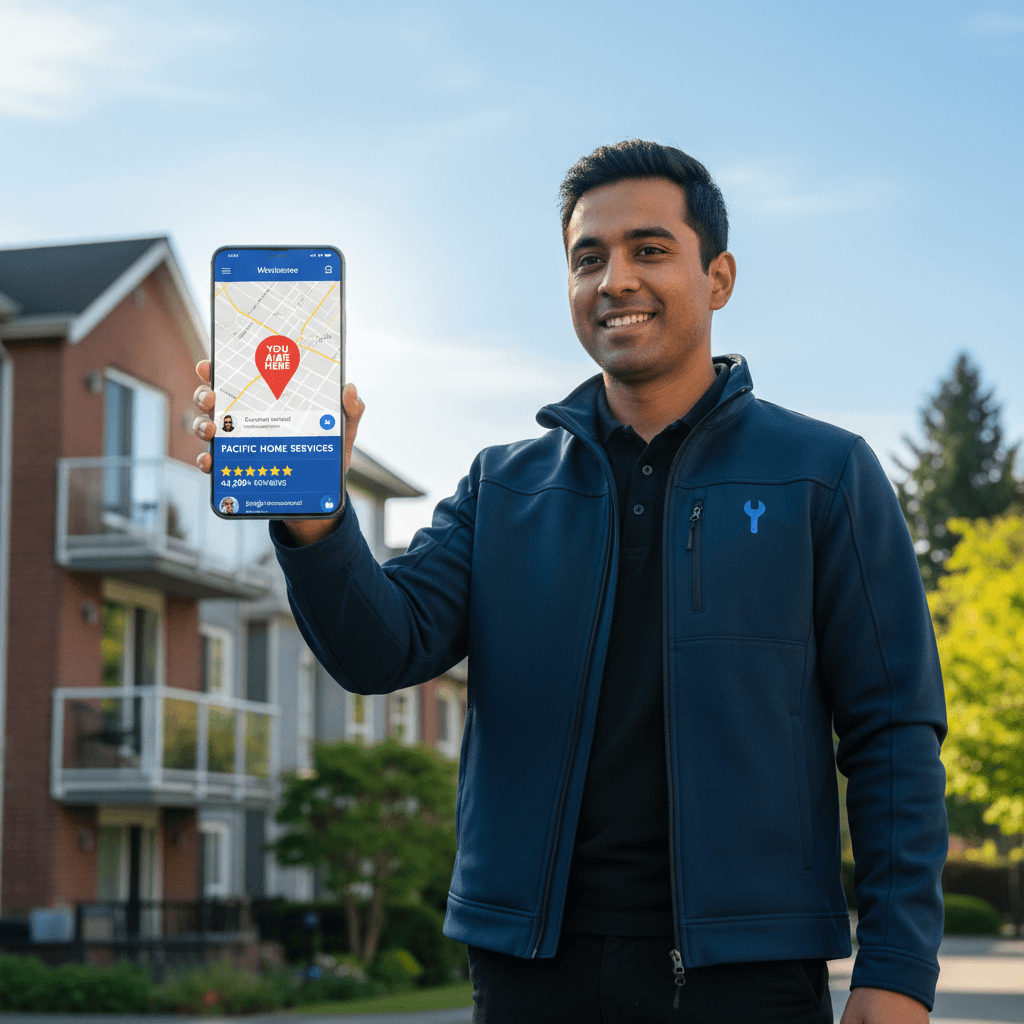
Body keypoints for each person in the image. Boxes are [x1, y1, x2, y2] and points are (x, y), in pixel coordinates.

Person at [193, 141, 947, 1023]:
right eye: (588, 258)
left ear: (720, 277)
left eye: (649, 250)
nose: (614, 279)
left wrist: (896, 970)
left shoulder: (825, 474)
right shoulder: (502, 485)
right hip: (529, 974)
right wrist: (313, 518)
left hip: (746, 976)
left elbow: (893, 733)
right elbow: (380, 646)